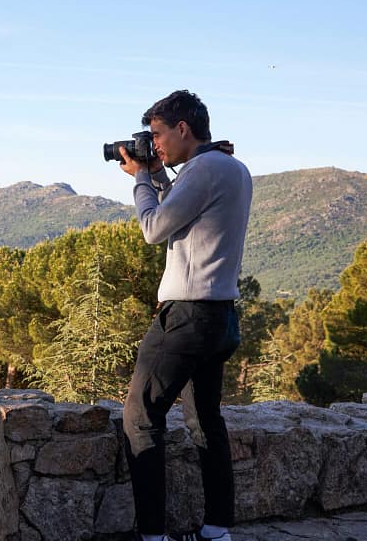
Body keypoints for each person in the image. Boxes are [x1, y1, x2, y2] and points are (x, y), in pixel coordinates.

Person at [115, 90, 252, 541]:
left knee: (140, 417)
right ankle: (216, 531)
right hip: (220, 316)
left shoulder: (204, 169)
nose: (153, 144)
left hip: (188, 316)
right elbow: (182, 214)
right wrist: (157, 175)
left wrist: (141, 179)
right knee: (204, 420)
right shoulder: (231, 168)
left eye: (156, 134)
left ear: (182, 128)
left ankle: (152, 535)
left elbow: (155, 228)